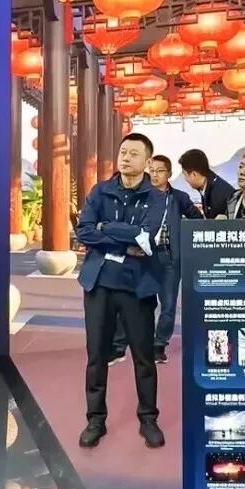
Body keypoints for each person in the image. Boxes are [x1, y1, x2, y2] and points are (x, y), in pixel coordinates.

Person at [76, 133, 167, 449]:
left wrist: (106, 228)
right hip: (99, 284)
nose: (125, 157)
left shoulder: (156, 198)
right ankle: (95, 420)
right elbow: (84, 230)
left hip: (137, 286)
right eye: (122, 152)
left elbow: (147, 237)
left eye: (133, 153)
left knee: (144, 357)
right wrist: (125, 242)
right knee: (96, 356)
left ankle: (148, 419)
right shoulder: (100, 191)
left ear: (147, 161)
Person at [110, 154, 202, 366]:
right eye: (151, 170)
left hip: (169, 257)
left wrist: (185, 241)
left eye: (159, 171)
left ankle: (159, 345)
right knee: (132, 301)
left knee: (168, 305)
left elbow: (197, 219)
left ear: (169, 174)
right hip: (143, 257)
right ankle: (118, 345)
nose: (154, 175)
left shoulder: (179, 198)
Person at [179, 148, 235, 219]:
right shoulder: (208, 186)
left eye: (185, 175)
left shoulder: (219, 195)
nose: (185, 179)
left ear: (194, 174)